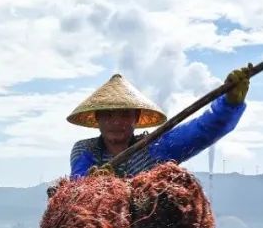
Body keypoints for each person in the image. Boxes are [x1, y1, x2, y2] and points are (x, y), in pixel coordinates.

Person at [67, 68, 250, 179]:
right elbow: (79, 179)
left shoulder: (154, 147)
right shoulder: (85, 149)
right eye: (108, 115)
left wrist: (229, 104)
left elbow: (201, 131)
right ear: (97, 119)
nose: (116, 122)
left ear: (136, 118)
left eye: (124, 115)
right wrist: (94, 183)